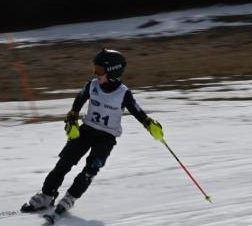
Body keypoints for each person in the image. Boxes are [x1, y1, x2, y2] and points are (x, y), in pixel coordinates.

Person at [21, 48, 164, 216]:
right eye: (95, 69)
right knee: (64, 162)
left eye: (100, 70)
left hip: (106, 138)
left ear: (112, 71)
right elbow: (79, 99)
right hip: (86, 131)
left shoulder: (123, 93)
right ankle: (47, 195)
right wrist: (73, 116)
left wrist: (149, 124)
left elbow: (137, 111)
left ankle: (70, 197)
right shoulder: (93, 85)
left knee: (90, 170)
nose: (96, 73)